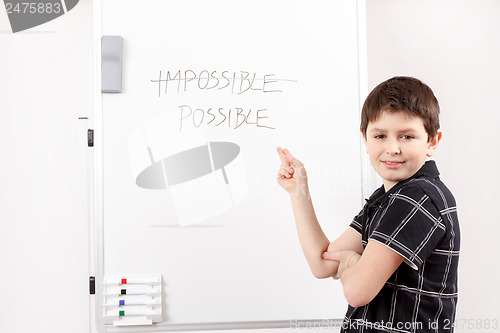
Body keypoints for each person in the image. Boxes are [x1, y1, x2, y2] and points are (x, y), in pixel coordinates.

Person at [277, 76, 460, 332]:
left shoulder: (417, 197)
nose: (393, 148)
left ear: (432, 142)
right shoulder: (386, 198)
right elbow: (323, 263)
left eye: (407, 136)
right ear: (365, 139)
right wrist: (298, 191)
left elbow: (357, 291)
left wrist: (352, 262)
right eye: (380, 135)